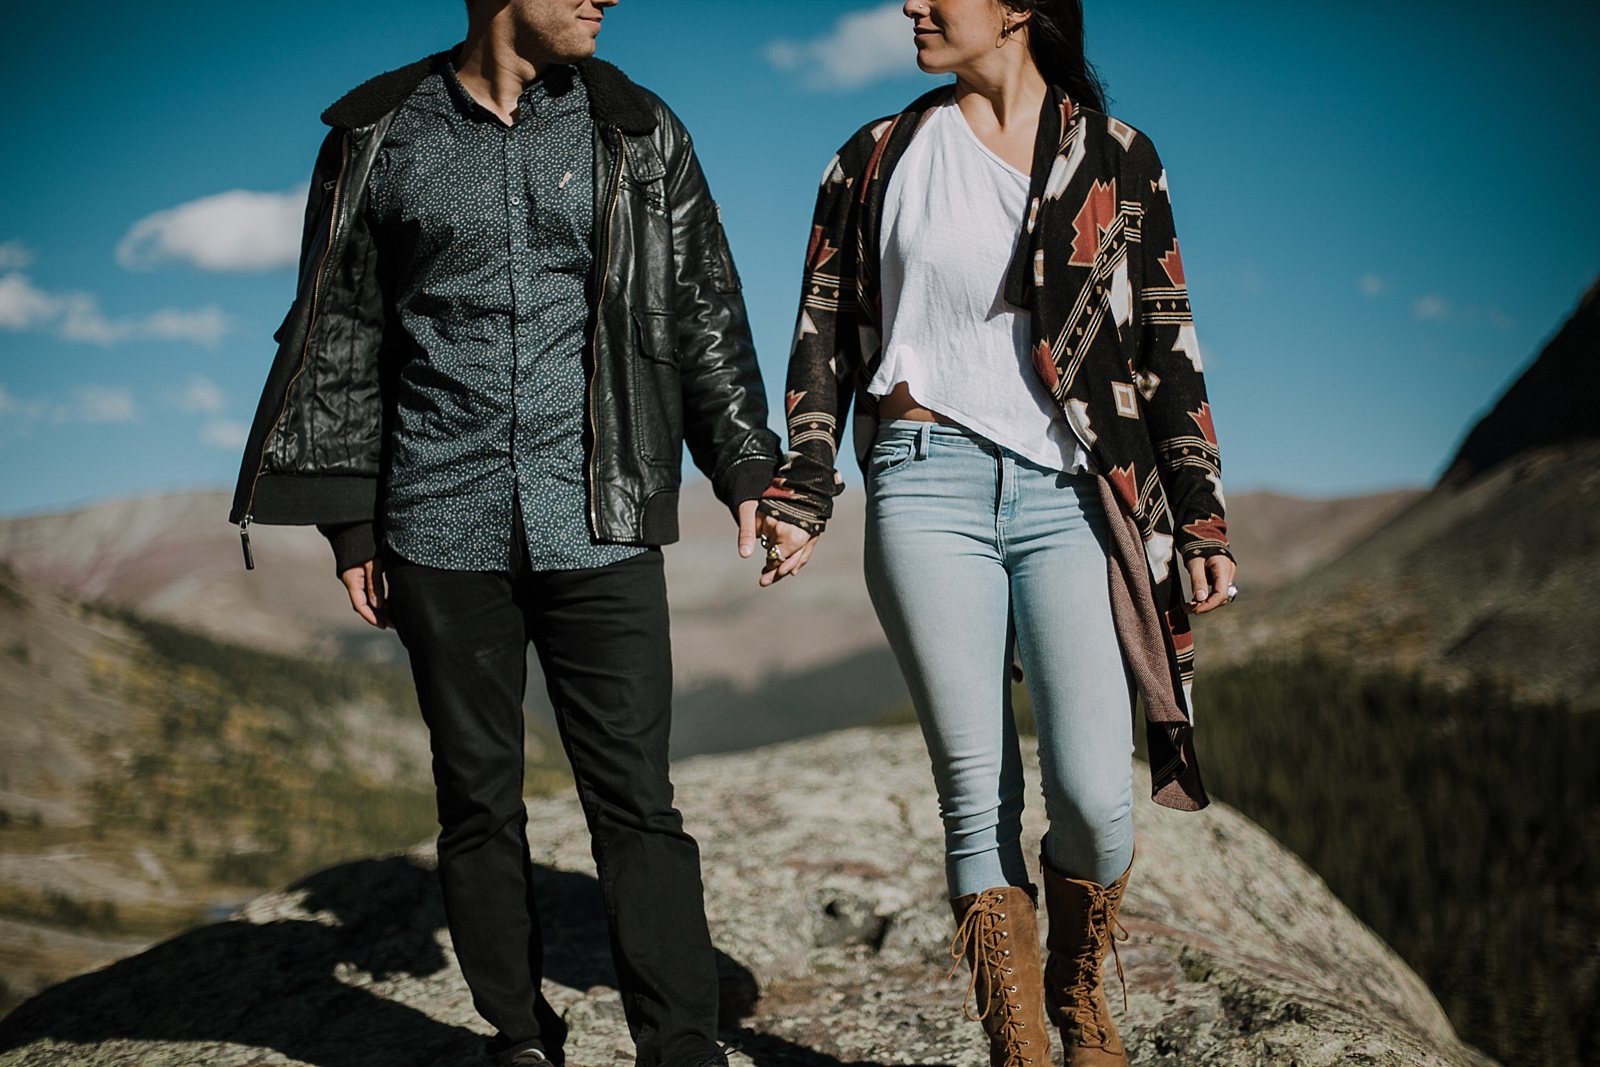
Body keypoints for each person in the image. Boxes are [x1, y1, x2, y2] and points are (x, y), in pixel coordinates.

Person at [228, 2, 804, 1064]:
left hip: (603, 512)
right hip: (435, 523)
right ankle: (517, 1035)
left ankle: (679, 1044)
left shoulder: (636, 128)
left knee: (637, 800)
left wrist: (743, 464)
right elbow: (344, 327)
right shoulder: (378, 134)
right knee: (476, 798)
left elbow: (701, 303)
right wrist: (353, 521)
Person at [754, 1, 1237, 1064]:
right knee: (976, 799)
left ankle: (1076, 991)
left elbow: (1167, 342)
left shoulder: (1114, 158)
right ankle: (1020, 1045)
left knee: (1093, 795)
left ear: (1017, 7)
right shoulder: (875, 157)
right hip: (922, 480)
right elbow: (820, 333)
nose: (912, 5)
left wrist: (1198, 512)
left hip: (1072, 494)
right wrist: (804, 489)